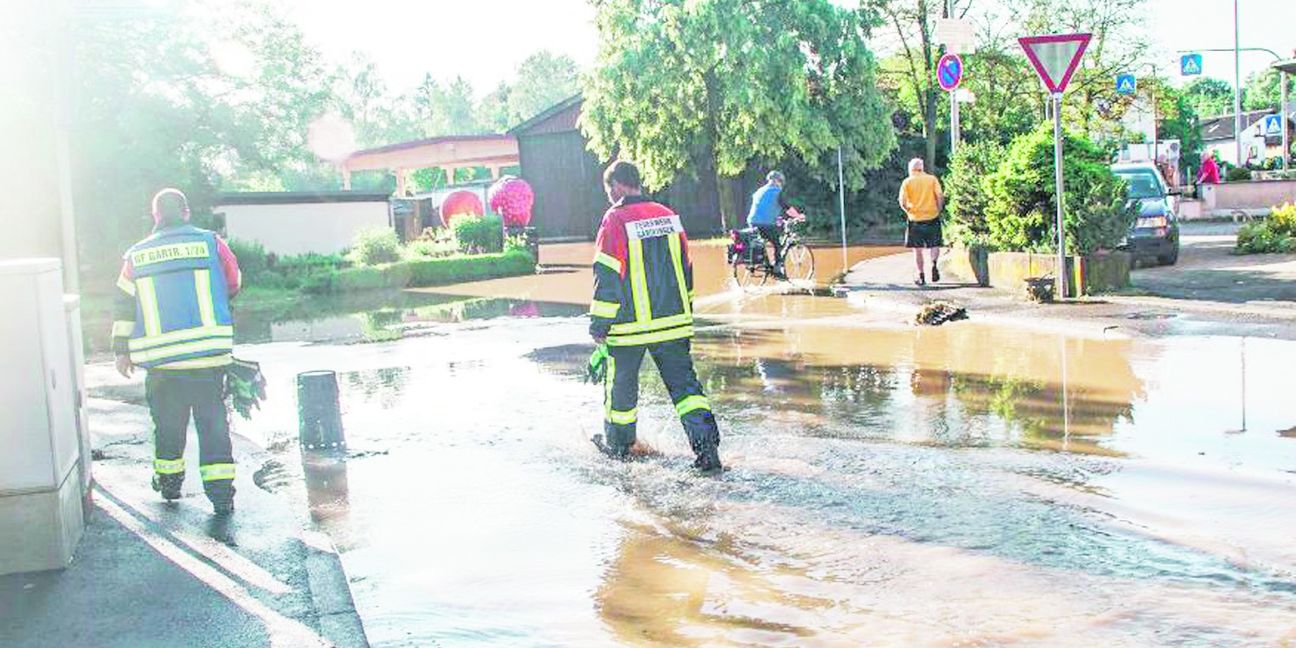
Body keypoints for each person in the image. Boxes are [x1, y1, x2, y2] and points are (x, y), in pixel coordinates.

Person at [111, 188, 242, 515]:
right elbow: (234, 281)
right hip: (208, 358)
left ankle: (169, 484)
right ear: (185, 212)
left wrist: (120, 351)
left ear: (155, 216)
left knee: (168, 425)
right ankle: (221, 495)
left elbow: (123, 306)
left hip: (163, 363)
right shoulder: (212, 243)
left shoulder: (136, 257)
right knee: (213, 424)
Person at [589, 161, 722, 472]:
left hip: (629, 328)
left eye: (610, 190)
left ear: (618, 185)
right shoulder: (669, 216)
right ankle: (708, 454)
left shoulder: (615, 218)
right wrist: (686, 314)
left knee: (621, 391)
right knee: (688, 392)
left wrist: (599, 324)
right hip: (673, 324)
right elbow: (686, 268)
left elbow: (607, 274)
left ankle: (620, 449)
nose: (609, 196)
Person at [898, 158, 945, 286]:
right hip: (932, 216)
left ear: (910, 169)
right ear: (922, 168)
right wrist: (939, 209)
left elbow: (902, 201)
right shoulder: (932, 179)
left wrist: (908, 210)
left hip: (915, 219)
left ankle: (921, 275)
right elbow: (939, 196)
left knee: (917, 250)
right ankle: (934, 264)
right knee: (934, 244)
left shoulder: (907, 182)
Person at [745, 170, 802, 275]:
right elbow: (787, 208)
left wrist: (777, 218)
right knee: (777, 243)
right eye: (780, 182)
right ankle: (777, 269)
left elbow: (764, 208)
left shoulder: (759, 191)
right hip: (766, 224)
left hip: (752, 222)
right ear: (776, 181)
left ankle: (765, 263)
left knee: (761, 241)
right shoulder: (776, 192)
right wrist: (798, 216)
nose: (781, 184)